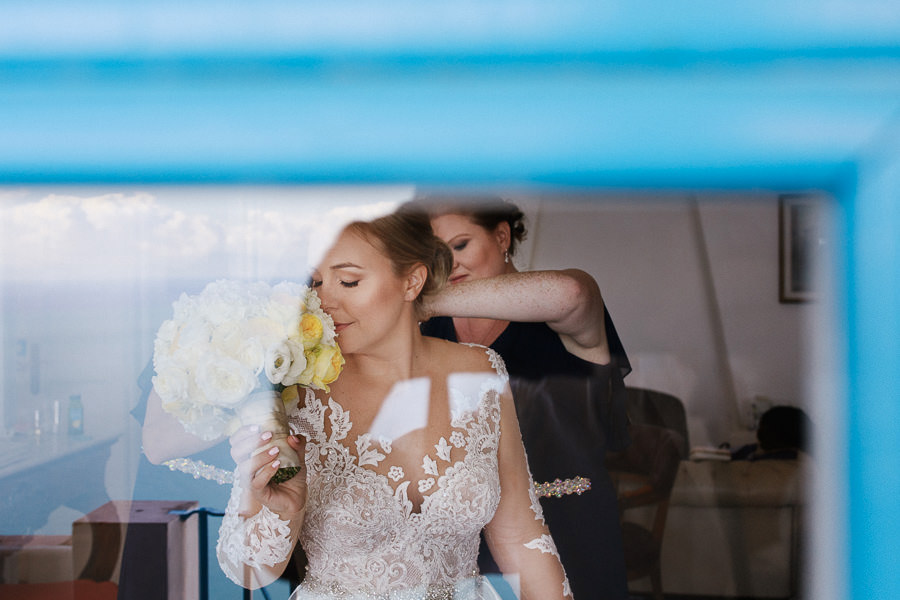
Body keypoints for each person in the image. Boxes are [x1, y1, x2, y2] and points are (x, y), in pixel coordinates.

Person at [216, 207, 573, 599]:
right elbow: (247, 571)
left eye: (348, 281)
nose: (323, 301)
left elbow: (521, 537)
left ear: (412, 281)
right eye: (315, 282)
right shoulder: (291, 392)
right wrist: (284, 510)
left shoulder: (480, 372)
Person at [415, 196, 631, 600]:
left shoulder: (562, 314)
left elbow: (569, 291)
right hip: (466, 541)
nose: (451, 264)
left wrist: (414, 300)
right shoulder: (428, 333)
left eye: (460, 246)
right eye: (436, 255)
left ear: (501, 236)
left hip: (570, 530)